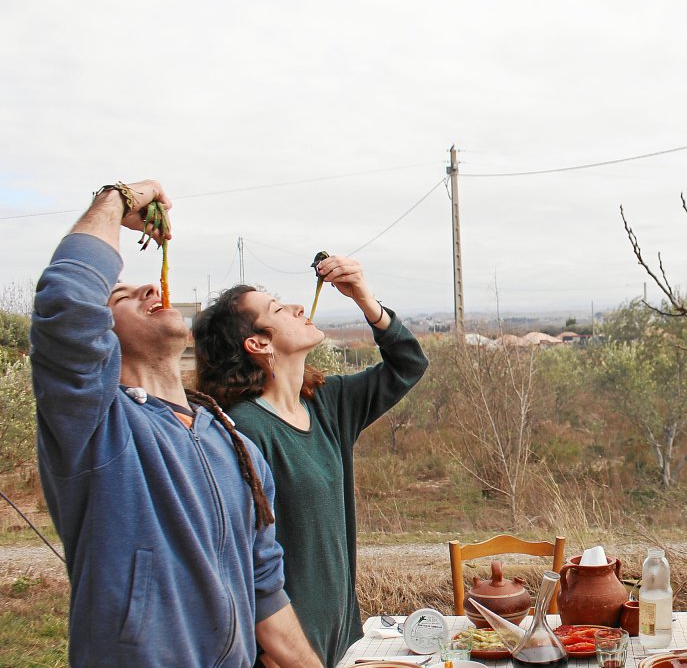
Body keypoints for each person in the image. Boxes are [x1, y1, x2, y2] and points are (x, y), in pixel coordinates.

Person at [30, 180, 321, 666]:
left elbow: (264, 590)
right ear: (101, 335)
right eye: (120, 296)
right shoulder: (95, 424)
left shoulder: (235, 446)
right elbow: (68, 303)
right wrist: (117, 199)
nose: (148, 285)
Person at [192, 257, 428, 666]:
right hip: (285, 649)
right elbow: (233, 555)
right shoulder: (243, 431)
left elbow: (408, 365)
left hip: (338, 635)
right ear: (258, 344)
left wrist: (366, 301)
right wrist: (265, 648)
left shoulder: (327, 404)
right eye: (279, 310)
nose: (300, 307)